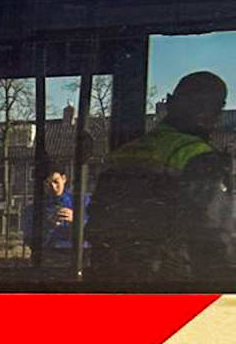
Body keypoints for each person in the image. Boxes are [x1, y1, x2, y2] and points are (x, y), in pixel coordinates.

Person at [90, 70, 235, 279]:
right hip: (169, 283)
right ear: (210, 113)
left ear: (170, 103)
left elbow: (97, 221)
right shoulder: (199, 158)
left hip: (111, 278)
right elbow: (213, 239)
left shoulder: (125, 152)